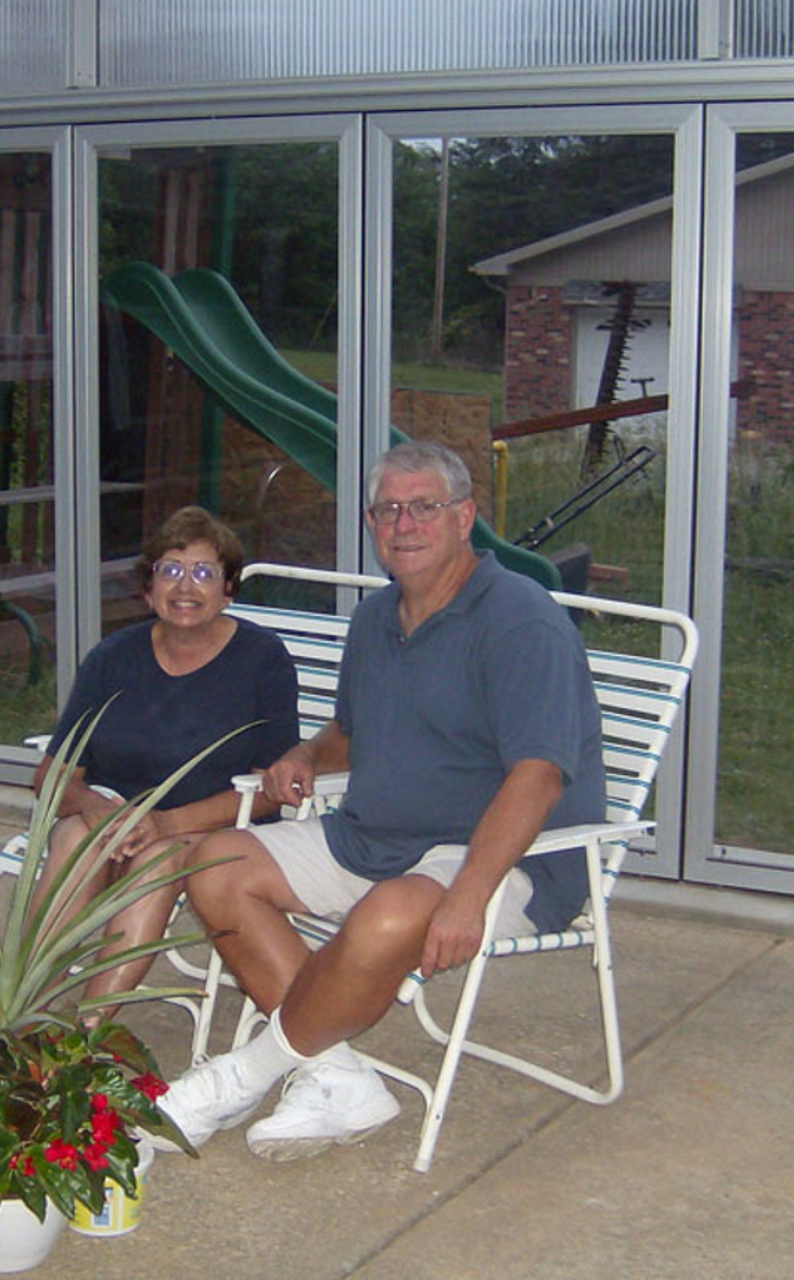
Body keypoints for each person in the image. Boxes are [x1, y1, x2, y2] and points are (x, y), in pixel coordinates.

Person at [152, 441, 604, 1161]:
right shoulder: (375, 618)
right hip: (376, 838)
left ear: (465, 518)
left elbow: (540, 775)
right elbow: (351, 734)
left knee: (390, 911)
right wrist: (307, 755)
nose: (404, 524)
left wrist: (468, 896)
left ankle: (241, 1075)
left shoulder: (520, 621)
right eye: (388, 509)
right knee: (215, 865)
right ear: (371, 524)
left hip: (507, 859)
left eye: (424, 507)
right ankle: (337, 1076)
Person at [29, 505, 299, 1015]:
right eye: (170, 570)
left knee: (159, 857)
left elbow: (269, 792)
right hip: (117, 821)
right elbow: (52, 779)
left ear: (228, 590)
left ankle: (86, 1033)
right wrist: (101, 811)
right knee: (72, 836)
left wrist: (164, 822)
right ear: (148, 588)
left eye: (204, 573)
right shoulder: (112, 658)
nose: (185, 586)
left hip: (210, 830)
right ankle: (20, 1014)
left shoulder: (263, 660)